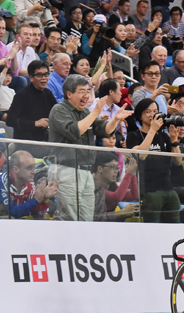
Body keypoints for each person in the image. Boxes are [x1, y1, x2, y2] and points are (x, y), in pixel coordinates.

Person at [48, 74, 133, 221]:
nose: (86, 95)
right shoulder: (59, 110)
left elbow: (105, 130)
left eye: (88, 91)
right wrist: (95, 112)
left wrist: (115, 119)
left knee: (87, 219)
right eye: (82, 91)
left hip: (86, 171)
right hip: (66, 169)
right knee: (70, 217)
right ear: (69, 94)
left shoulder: (85, 113)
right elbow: (75, 131)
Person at [126, 98, 181, 223]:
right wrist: (152, 130)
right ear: (140, 115)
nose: (152, 115)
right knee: (153, 225)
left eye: (155, 111)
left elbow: (178, 162)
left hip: (168, 188)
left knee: (174, 225)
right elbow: (141, 156)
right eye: (148, 112)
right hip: (149, 190)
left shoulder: (163, 136)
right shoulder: (133, 136)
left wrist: (174, 140)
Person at [0, 150, 57, 219]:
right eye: (29, 168)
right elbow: (11, 213)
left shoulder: (29, 185)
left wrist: (44, 199)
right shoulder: (0, 182)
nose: (34, 172)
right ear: (15, 169)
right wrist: (36, 199)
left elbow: (38, 214)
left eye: (34, 167)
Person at [7, 60, 56, 143]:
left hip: (45, 139)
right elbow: (10, 120)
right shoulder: (22, 95)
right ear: (31, 78)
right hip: (26, 142)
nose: (44, 78)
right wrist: (35, 123)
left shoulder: (48, 94)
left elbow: (56, 113)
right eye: (39, 75)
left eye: (46, 74)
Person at [91, 151, 138, 221]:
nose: (116, 171)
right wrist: (128, 174)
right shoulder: (93, 187)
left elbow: (134, 195)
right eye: (112, 167)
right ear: (100, 168)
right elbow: (116, 197)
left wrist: (133, 175)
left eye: (117, 168)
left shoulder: (111, 186)